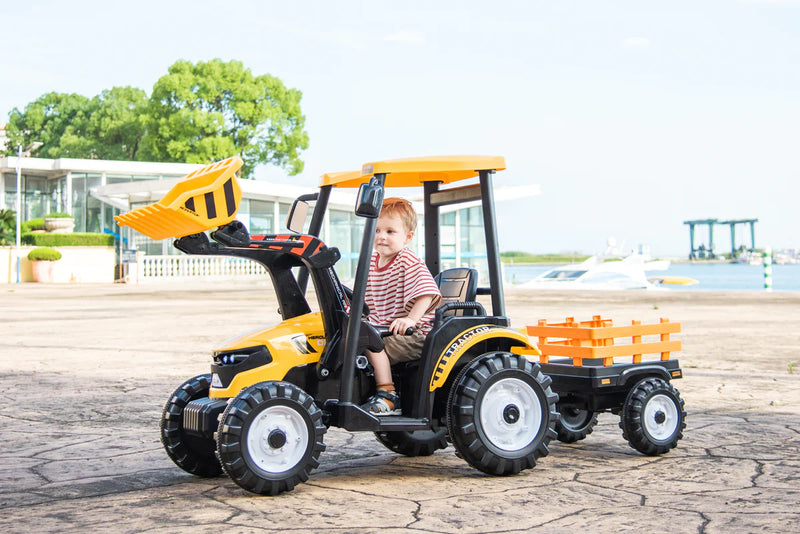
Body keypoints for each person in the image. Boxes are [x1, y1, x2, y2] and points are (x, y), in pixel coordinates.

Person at [361, 197, 442, 415]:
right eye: (377, 230)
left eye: (390, 231)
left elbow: (426, 293)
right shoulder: (371, 262)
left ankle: (388, 395)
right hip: (386, 330)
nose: (381, 237)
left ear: (407, 237)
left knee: (371, 344)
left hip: (415, 334)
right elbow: (361, 298)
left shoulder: (407, 260)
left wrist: (411, 320)